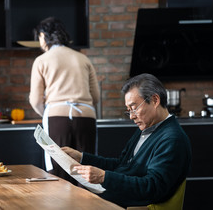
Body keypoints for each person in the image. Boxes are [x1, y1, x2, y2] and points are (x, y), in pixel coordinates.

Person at [62, 73, 192, 208]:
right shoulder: (146, 129)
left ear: (154, 100)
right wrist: (82, 158)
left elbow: (152, 188)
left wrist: (104, 178)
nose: (131, 116)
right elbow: (121, 165)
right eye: (128, 110)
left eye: (134, 108)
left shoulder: (172, 139)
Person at [29, 17, 100, 182]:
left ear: (43, 35)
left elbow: (35, 99)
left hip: (56, 118)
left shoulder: (42, 60)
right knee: (87, 170)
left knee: (58, 171)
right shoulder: (83, 59)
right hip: (86, 116)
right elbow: (95, 96)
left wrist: (48, 111)